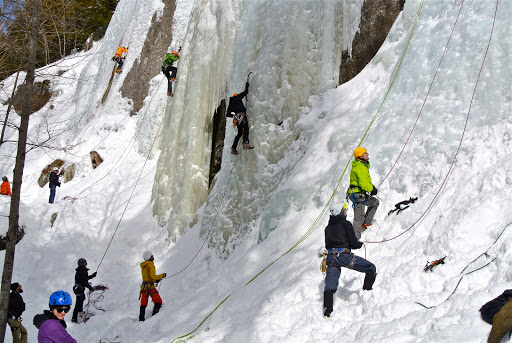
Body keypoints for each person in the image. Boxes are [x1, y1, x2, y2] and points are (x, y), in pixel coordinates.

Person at [323, 201, 377, 318]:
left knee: (330, 286)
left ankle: (327, 312)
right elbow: (352, 243)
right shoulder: (345, 224)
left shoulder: (327, 228)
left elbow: (328, 246)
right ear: (340, 211)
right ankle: (367, 294)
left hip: (331, 258)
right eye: (345, 209)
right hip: (344, 256)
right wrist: (358, 244)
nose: (346, 211)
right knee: (370, 267)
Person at [346, 147, 380, 239]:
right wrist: (371, 189)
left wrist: (372, 188)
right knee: (359, 217)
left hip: (358, 194)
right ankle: (355, 239)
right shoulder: (360, 167)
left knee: (375, 202)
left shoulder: (361, 166)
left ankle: (366, 223)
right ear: (361, 156)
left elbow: (364, 181)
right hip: (358, 195)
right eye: (366, 153)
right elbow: (363, 183)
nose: (367, 154)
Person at [139, 251, 166, 321]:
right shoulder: (150, 264)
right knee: (158, 301)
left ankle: (141, 320)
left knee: (143, 304)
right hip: (150, 287)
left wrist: (156, 280)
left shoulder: (144, 266)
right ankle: (154, 318)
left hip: (144, 287)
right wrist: (162, 276)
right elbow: (153, 276)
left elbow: (148, 277)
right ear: (150, 257)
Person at [228, 81, 253, 155]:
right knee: (246, 129)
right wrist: (247, 85)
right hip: (242, 116)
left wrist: (234, 116)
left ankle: (233, 148)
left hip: (237, 119)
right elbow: (246, 92)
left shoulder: (230, 104)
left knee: (239, 134)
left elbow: (228, 114)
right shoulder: (238, 97)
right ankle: (245, 143)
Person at [71, 258, 97, 323]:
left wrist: (92, 276)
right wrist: (91, 288)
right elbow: (85, 282)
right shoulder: (83, 271)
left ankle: (79, 312)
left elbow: (84, 279)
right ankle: (74, 318)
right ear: (83, 264)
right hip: (79, 289)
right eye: (85, 263)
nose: (86, 264)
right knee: (79, 302)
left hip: (77, 288)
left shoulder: (79, 271)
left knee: (81, 299)